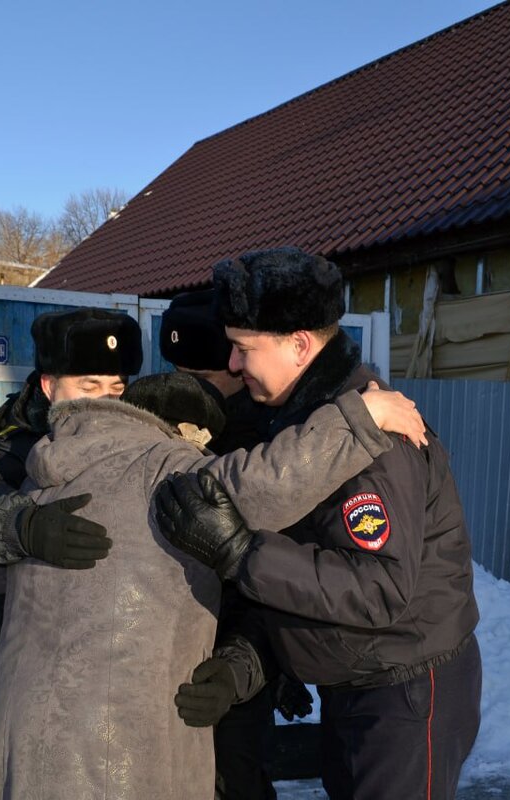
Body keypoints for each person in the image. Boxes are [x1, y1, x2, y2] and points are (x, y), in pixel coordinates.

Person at [0, 368, 427, 799]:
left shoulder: (39, 473)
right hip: (112, 751)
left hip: (9, 735)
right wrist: (362, 418)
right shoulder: (172, 475)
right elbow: (275, 476)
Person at [155, 247, 482, 800]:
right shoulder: (308, 425)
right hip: (359, 680)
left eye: (243, 349)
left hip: (402, 691)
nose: (233, 365)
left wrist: (242, 552)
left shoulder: (372, 445)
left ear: (299, 344)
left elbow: (377, 588)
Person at [0, 307, 143, 720]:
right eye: (89, 386)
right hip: (17, 659)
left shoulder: (142, 440)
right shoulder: (16, 442)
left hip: (111, 661)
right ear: (50, 386)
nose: (106, 402)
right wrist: (23, 526)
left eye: (116, 388)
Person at [161, 291, 310, 800]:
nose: (187, 393)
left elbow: (288, 571)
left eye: (200, 379)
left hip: (238, 667)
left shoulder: (270, 445)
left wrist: (258, 664)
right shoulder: (154, 429)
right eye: (177, 372)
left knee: (236, 780)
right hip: (162, 666)